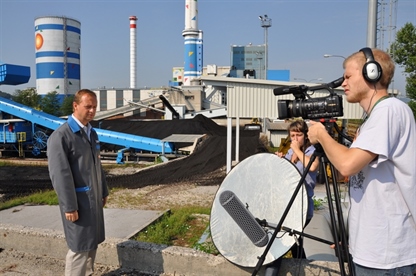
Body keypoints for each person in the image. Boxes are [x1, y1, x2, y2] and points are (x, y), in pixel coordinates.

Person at [308, 48, 416, 275]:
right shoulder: (372, 120)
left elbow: (347, 165)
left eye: (348, 76)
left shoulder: (390, 110)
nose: (343, 83)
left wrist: (321, 136)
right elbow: (343, 174)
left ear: (371, 73)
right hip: (370, 250)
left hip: (387, 256)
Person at [47, 89, 109, 276]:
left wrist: (103, 191)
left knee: (91, 243)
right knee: (79, 246)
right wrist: (69, 206)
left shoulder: (92, 133)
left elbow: (97, 166)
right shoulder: (61, 137)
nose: (92, 111)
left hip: (93, 198)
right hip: (78, 201)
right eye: (88, 106)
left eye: (94, 107)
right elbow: (60, 175)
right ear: (75, 106)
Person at [265, 120, 319, 276]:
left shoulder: (311, 151)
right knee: (295, 245)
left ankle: (272, 271)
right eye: (292, 135)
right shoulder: (290, 151)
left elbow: (313, 166)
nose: (295, 139)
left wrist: (297, 150)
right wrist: (280, 160)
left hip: (302, 206)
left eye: (299, 135)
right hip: (288, 203)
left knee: (284, 240)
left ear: (305, 135)